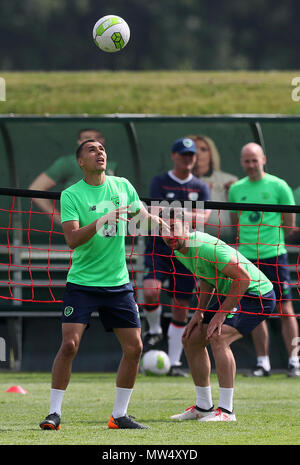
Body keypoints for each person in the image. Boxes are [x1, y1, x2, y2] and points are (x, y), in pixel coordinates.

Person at [39, 139, 162, 431]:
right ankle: (54, 413)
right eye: (92, 150)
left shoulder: (122, 186)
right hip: (82, 284)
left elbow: (142, 218)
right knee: (69, 345)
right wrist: (101, 221)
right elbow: (72, 239)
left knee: (135, 348)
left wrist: (165, 226)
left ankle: (119, 416)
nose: (100, 153)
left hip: (118, 284)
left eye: (102, 149)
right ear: (80, 162)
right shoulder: (71, 195)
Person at [161, 211, 276, 422]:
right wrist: (200, 312)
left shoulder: (204, 246)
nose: (168, 235)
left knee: (218, 336)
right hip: (233, 293)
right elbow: (207, 279)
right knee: (192, 338)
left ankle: (227, 411)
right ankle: (204, 407)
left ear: (186, 228)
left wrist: (220, 315)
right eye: (162, 230)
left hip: (257, 295)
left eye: (173, 228)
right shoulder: (180, 250)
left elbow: (243, 279)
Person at [228, 142, 300, 377]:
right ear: (242, 162)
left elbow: (290, 223)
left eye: (254, 160)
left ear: (263, 159)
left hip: (274, 255)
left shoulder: (279, 186)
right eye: (246, 161)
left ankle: (294, 361)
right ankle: (263, 363)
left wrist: (272, 240)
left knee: (285, 307)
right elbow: (234, 222)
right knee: (257, 309)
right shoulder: (236, 189)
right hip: (247, 259)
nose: (250, 165)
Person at [142, 137, 211, 377]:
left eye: (191, 155)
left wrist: (176, 215)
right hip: (159, 247)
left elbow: (205, 218)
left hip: (187, 250)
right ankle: (153, 329)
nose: (187, 159)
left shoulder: (200, 186)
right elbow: (154, 212)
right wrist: (181, 216)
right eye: (183, 154)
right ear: (173, 156)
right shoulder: (160, 181)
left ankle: (174, 362)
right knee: (150, 289)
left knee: (182, 306)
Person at [28, 128, 116, 225]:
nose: (94, 142)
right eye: (87, 138)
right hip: (79, 229)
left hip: (107, 228)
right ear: (80, 142)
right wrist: (62, 220)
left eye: (98, 138)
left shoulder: (113, 168)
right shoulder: (67, 163)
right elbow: (36, 188)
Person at [189, 134, 237, 238]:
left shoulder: (229, 180)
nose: (198, 153)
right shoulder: (178, 182)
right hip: (191, 241)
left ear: (211, 154)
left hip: (225, 240)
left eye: (203, 149)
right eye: (193, 149)